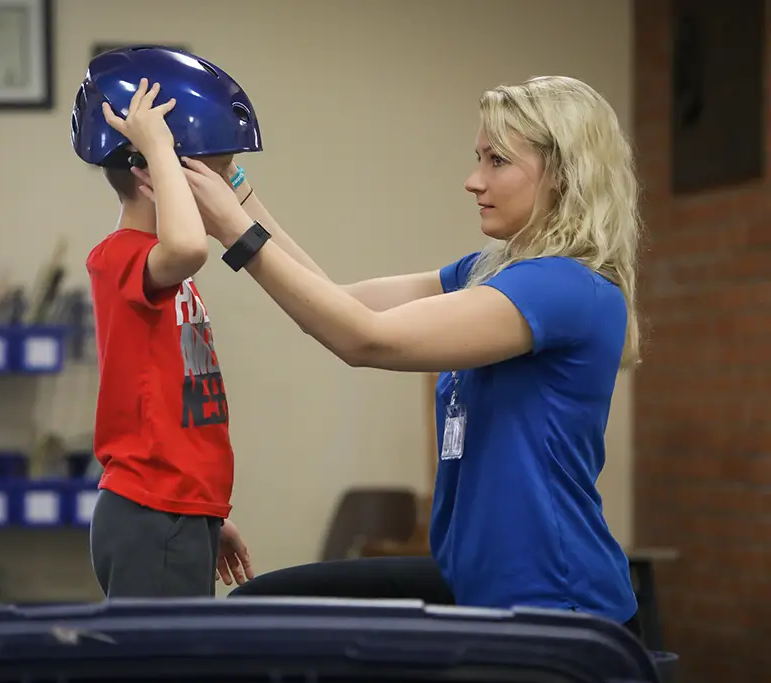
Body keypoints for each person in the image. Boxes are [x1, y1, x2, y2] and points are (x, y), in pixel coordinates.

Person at [129, 75, 643, 631]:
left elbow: (365, 338)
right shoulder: (488, 271)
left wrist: (232, 228)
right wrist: (240, 195)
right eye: (478, 158)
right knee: (266, 604)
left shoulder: (567, 288)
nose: (473, 180)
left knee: (270, 622)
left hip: (556, 606)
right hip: (478, 585)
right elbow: (337, 302)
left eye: (496, 161)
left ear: (564, 174)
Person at [69, 46, 263, 597]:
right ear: (152, 174)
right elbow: (187, 246)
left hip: (177, 509)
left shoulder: (158, 269)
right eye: (213, 176)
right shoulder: (121, 257)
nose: (225, 193)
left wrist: (205, 512)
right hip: (148, 509)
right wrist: (158, 147)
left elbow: (169, 400)